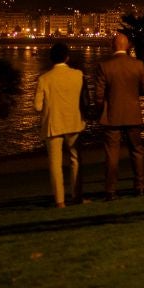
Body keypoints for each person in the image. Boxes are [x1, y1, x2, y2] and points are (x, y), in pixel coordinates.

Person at [96, 31, 144, 200]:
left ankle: (111, 190)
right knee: (137, 151)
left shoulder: (104, 66)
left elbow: (99, 95)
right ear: (127, 46)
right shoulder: (138, 65)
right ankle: (139, 186)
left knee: (112, 154)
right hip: (133, 113)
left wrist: (100, 111)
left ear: (113, 46)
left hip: (112, 115)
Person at [34, 43, 86, 208]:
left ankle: (60, 201)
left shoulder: (44, 79)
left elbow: (37, 106)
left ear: (51, 59)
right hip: (74, 122)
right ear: (67, 57)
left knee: (55, 164)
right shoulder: (78, 75)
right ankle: (76, 196)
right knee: (75, 160)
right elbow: (83, 99)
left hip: (53, 124)